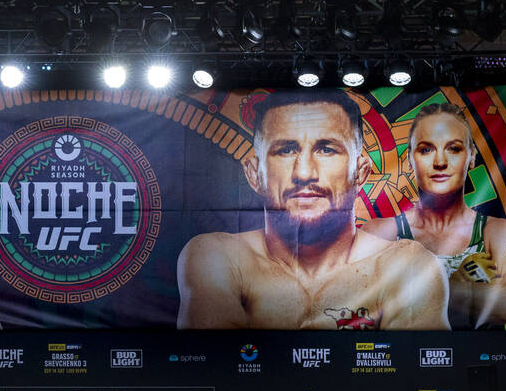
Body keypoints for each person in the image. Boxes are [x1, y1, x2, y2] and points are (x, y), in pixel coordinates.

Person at [176, 88, 449, 330]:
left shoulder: (407, 266)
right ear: (254, 174)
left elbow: (408, 377)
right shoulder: (218, 257)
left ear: (360, 172)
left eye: (327, 149)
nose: (304, 172)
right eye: (285, 150)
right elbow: (221, 368)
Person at [361, 102, 506, 328]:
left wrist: (412, 285)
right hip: (400, 360)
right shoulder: (381, 232)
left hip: (475, 361)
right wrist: (472, 290)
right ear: (409, 158)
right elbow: (355, 306)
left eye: (454, 148)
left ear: (471, 157)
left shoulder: (498, 232)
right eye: (426, 149)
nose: (440, 162)